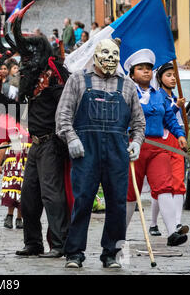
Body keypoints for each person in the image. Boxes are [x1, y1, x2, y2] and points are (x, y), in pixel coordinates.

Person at [55, 38, 146, 268]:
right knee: (83, 200)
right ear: (95, 55)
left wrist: (136, 142)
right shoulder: (77, 80)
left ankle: (111, 254)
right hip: (86, 151)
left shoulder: (127, 85)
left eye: (115, 55)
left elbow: (138, 122)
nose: (110, 59)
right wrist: (72, 138)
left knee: (117, 202)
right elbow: (62, 117)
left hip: (117, 152)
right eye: (105, 53)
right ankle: (74, 253)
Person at [14, 36, 72, 259]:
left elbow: (66, 105)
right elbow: (16, 109)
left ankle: (59, 243)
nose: (24, 62)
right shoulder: (32, 79)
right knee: (28, 195)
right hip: (35, 143)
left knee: (51, 195)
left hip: (51, 143)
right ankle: (33, 243)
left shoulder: (53, 75)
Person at [123, 50, 188, 247]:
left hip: (157, 148)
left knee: (165, 186)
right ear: (132, 73)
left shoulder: (158, 96)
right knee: (129, 193)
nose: (145, 72)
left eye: (149, 69)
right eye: (140, 69)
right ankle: (119, 235)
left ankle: (172, 232)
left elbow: (169, 118)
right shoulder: (126, 93)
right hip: (134, 146)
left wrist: (180, 135)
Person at [148, 62, 187, 236]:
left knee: (178, 183)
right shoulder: (156, 97)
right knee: (162, 186)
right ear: (160, 78)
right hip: (161, 144)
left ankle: (177, 223)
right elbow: (163, 119)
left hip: (176, 144)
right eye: (168, 75)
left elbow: (178, 123)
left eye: (174, 75)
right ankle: (153, 223)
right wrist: (176, 106)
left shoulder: (177, 97)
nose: (172, 78)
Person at [0, 140, 31, 229]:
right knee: (11, 191)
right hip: (11, 169)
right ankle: (10, 216)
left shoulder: (29, 136)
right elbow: (3, 148)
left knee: (22, 192)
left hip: (25, 167)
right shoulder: (8, 138)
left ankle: (19, 218)